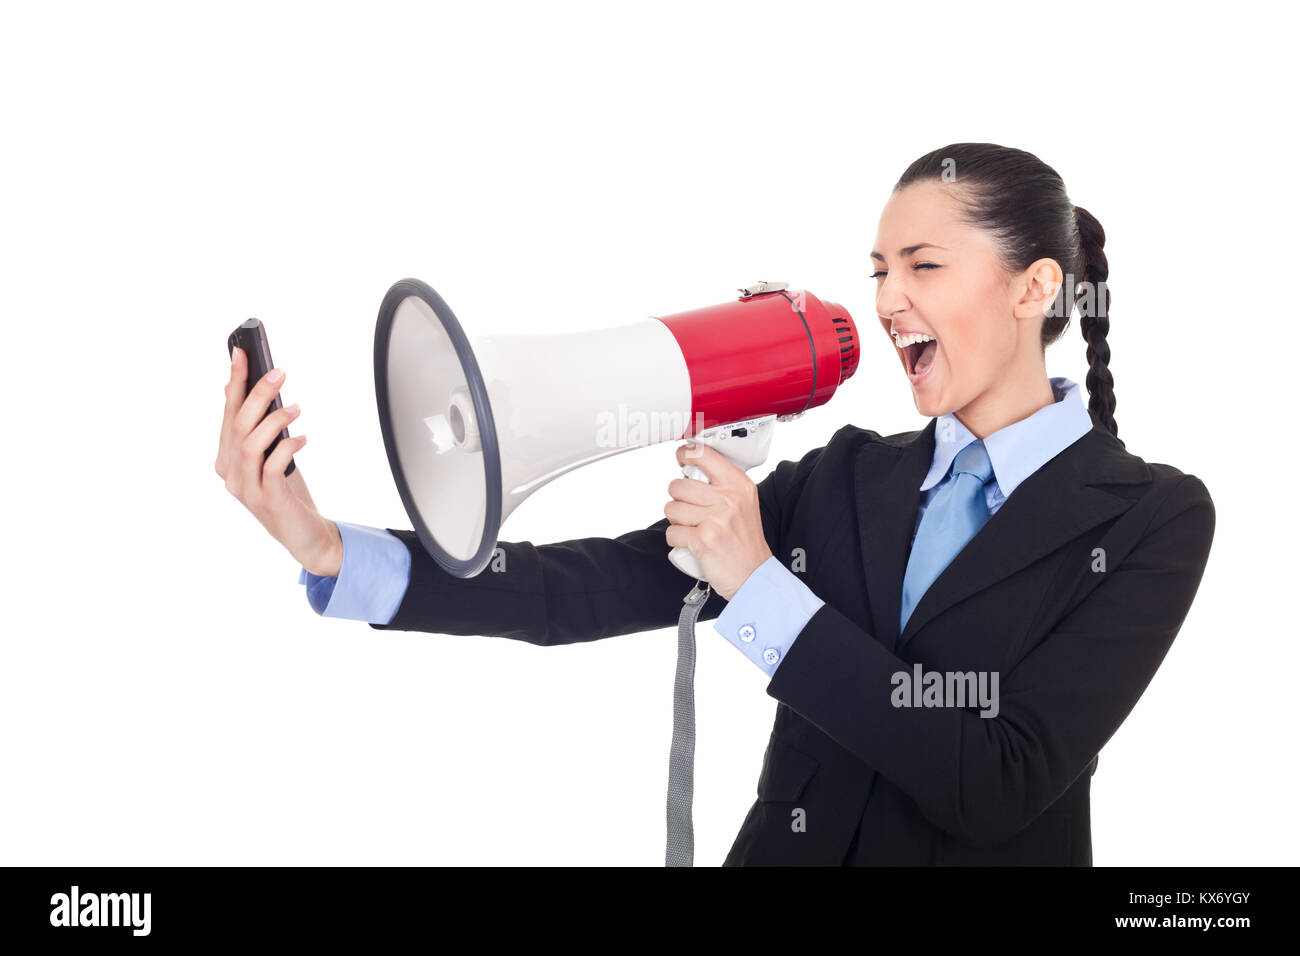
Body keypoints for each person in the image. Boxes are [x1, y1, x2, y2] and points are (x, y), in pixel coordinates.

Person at [216, 143, 1216, 866]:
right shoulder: (844, 477)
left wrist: (764, 591)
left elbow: (1000, 778)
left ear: (1033, 287)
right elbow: (586, 589)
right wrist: (325, 544)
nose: (886, 300)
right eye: (878, 271)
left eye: (923, 266)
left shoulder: (1147, 518)